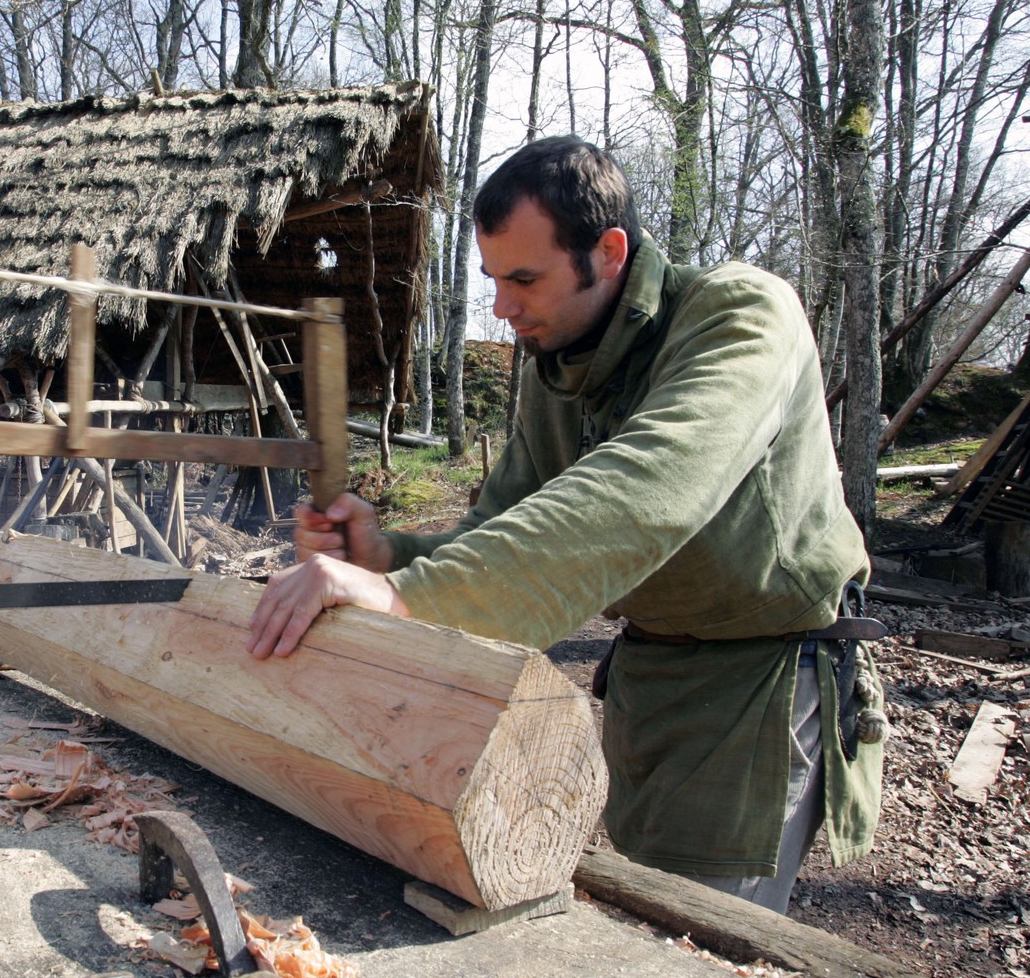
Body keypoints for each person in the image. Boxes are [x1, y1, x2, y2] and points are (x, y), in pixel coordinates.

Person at [245, 136, 885, 914]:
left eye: (523, 278)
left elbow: (646, 492)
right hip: (654, 679)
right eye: (492, 279)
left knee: (706, 952)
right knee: (638, 919)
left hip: (763, 684)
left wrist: (406, 595)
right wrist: (388, 557)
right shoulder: (560, 361)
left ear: (609, 252)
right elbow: (499, 533)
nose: (501, 308)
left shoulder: (741, 314)